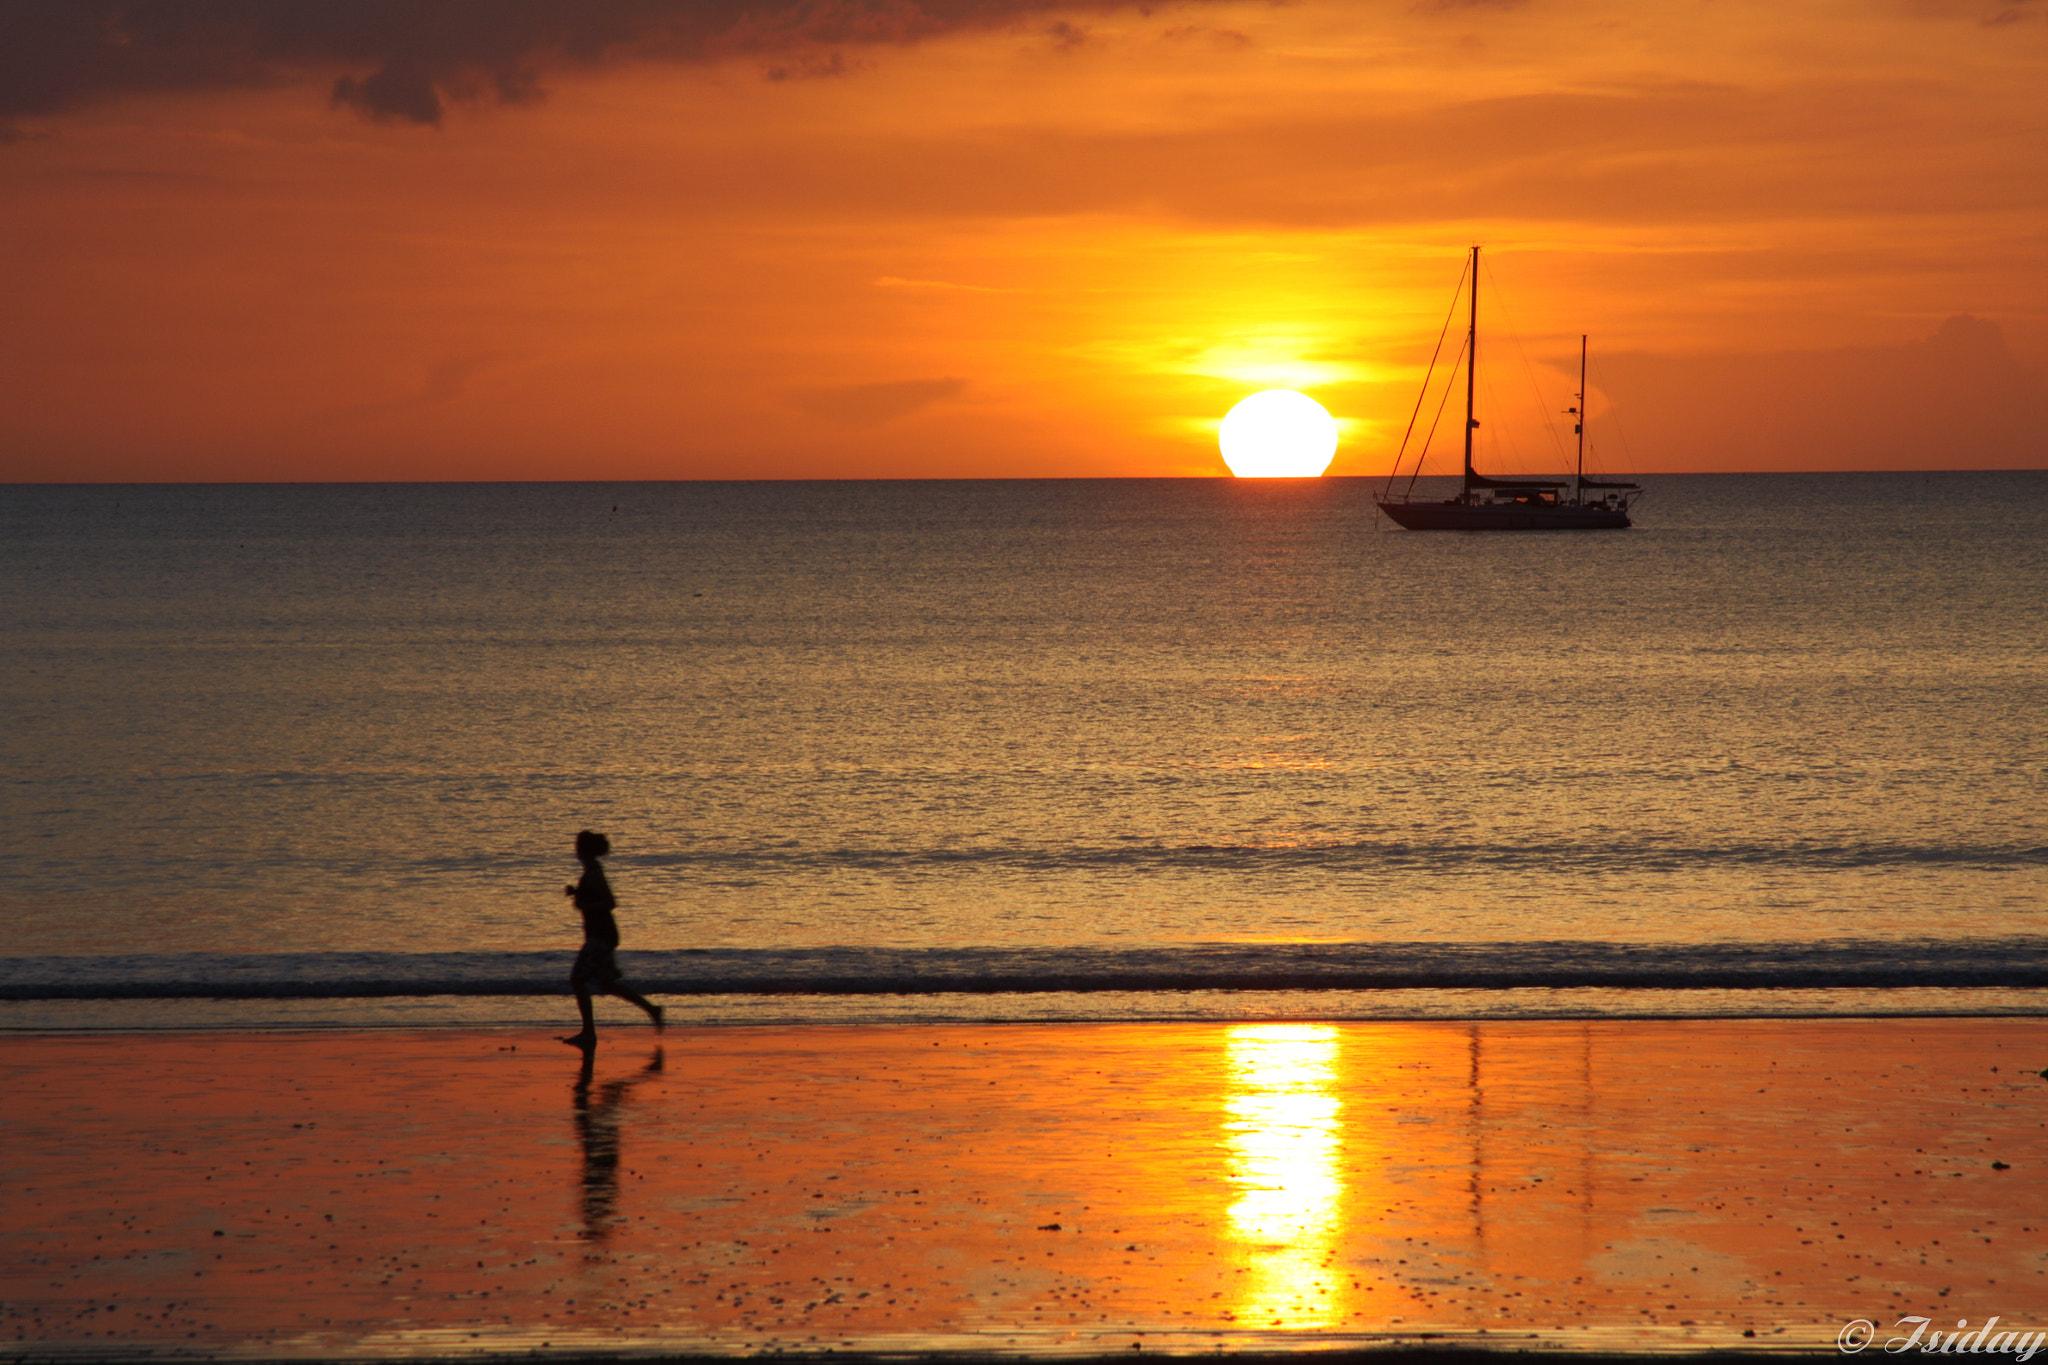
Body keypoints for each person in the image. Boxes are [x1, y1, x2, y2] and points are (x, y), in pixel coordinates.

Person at [560, 829, 663, 1050]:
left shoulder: (595, 872)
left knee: (578, 980)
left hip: (601, 935)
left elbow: (609, 902)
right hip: (601, 934)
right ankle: (652, 1010)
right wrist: (577, 893)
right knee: (607, 984)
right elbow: (594, 897)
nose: (575, 849)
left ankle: (589, 1033)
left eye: (578, 845)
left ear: (584, 849)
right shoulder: (590, 871)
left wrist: (584, 904)